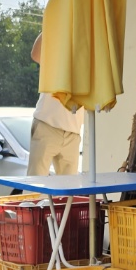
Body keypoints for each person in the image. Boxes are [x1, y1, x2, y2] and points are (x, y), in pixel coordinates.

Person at [27, 32, 83, 176]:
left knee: (68, 193)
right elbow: (35, 54)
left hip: (73, 132)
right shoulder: (60, 49)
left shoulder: (89, 57)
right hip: (47, 125)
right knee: (35, 186)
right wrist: (49, 24)